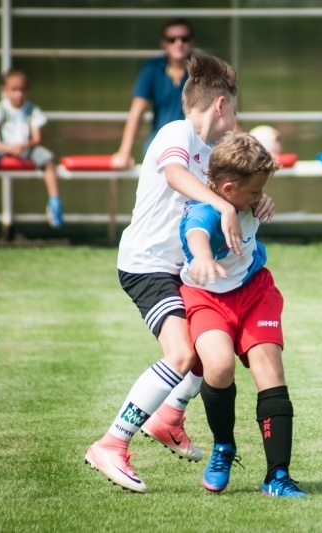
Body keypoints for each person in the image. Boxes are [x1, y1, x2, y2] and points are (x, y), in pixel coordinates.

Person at [85, 52, 274, 494]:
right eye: (236, 107)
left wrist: (257, 201)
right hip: (146, 265)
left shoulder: (212, 154)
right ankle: (111, 443)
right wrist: (223, 204)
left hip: (178, 270)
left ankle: (169, 416)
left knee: (211, 347)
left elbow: (235, 190)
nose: (238, 119)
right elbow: (173, 174)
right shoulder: (177, 132)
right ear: (221, 105)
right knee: (182, 354)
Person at [179, 131, 307, 498]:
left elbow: (253, 194)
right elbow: (196, 234)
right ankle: (223, 447)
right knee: (218, 367)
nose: (260, 198)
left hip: (254, 292)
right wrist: (202, 257)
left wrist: (260, 199)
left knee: (270, 370)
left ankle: (277, 476)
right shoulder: (204, 210)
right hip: (207, 296)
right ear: (229, 189)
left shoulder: (244, 197)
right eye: (255, 192)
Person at [0, 69, 63, 227]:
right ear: (5, 91)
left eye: (22, 90)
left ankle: (55, 203)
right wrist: (7, 149)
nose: (18, 94)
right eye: (14, 90)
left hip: (26, 149)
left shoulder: (33, 110)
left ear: (27, 91)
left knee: (49, 159)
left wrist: (24, 145)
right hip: (2, 148)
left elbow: (37, 139)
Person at [111, 18, 195, 169]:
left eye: (184, 38)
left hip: (195, 140)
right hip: (160, 139)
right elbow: (137, 112)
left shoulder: (203, 69)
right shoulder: (152, 68)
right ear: (163, 43)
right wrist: (124, 152)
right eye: (172, 39)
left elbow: (221, 106)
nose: (179, 43)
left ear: (192, 42)